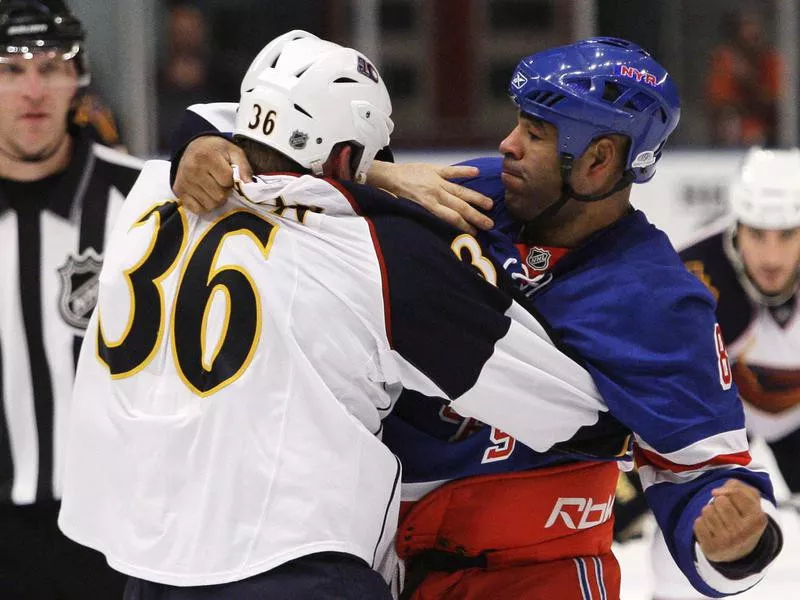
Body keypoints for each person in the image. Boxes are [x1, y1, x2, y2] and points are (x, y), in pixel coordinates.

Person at [168, 38, 784, 599]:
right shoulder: (473, 191)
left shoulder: (661, 304)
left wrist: (740, 541)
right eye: (518, 122)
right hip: (379, 561)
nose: (507, 144)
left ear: (598, 160)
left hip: (539, 574)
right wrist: (204, 146)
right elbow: (296, 165)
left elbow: (708, 477)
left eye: (537, 133)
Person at [57, 30, 609, 600]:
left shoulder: (154, 190)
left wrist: (366, 175)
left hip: (147, 567)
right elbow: (566, 411)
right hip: (294, 566)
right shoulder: (377, 252)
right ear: (348, 156)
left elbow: (208, 122)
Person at [0, 1, 142, 597]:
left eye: (53, 66)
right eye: (10, 69)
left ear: (77, 79)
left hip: (113, 532)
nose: (33, 88)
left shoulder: (141, 200)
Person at [641, 147, 800, 600]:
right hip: (719, 419)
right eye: (757, 234)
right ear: (736, 228)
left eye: (788, 235)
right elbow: (654, 389)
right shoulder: (689, 276)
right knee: (691, 528)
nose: (771, 254)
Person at [706, 9, 781, 147]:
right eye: (745, 26)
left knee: (754, 134)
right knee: (730, 124)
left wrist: (749, 79)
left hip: (766, 129)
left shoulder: (770, 60)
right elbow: (718, 102)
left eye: (754, 27)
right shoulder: (725, 59)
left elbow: (773, 103)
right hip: (735, 125)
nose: (750, 32)